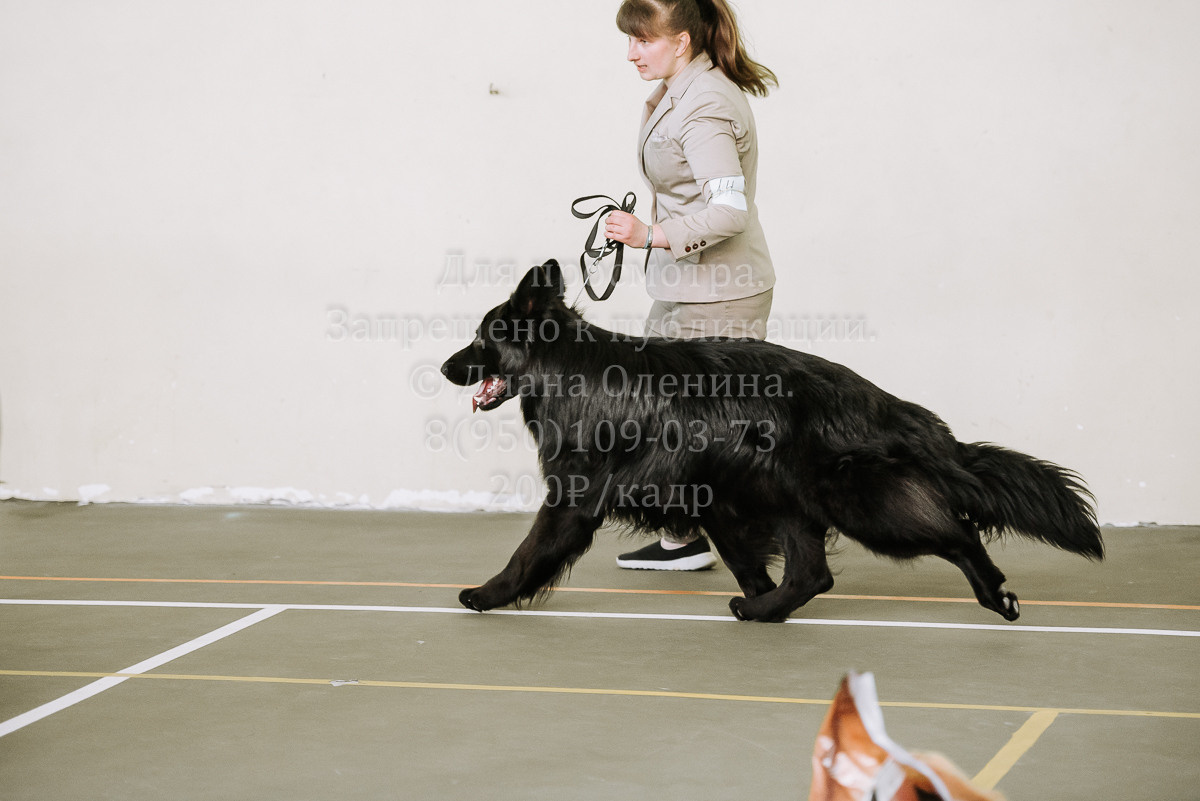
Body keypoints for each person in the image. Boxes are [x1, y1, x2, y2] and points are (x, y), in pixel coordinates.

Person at [603, 0, 778, 570]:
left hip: (720, 294)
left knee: (714, 432)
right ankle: (683, 538)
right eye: (629, 40)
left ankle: (761, 543)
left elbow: (729, 211)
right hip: (688, 286)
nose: (631, 52)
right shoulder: (683, 89)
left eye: (643, 40)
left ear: (681, 42)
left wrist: (650, 234)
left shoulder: (703, 103)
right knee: (670, 420)